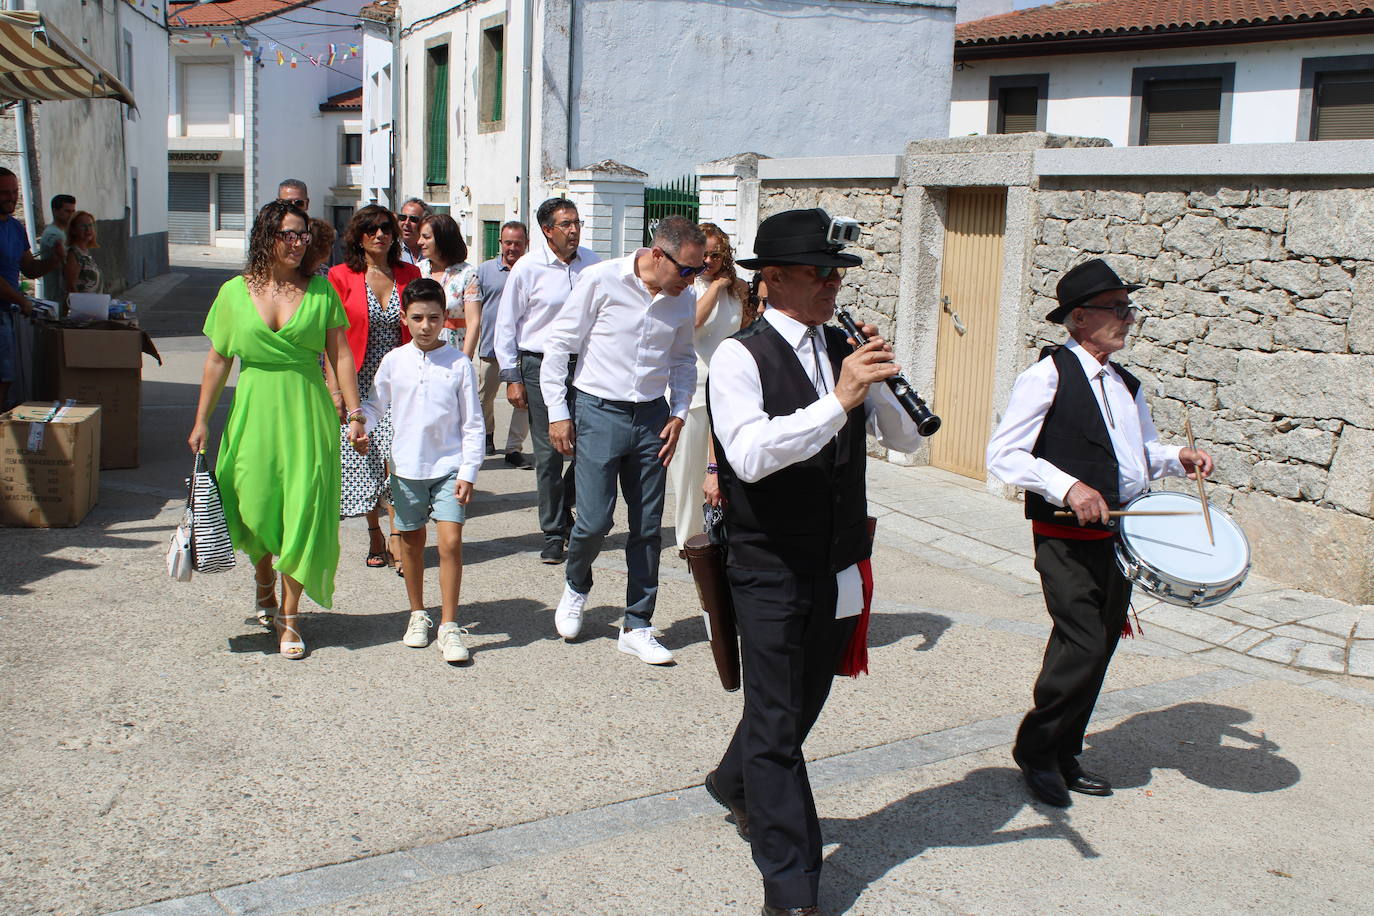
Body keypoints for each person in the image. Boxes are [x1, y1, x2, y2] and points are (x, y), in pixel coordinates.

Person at [704, 208, 924, 916]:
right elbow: (750, 455)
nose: (834, 284)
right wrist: (838, 399)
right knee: (775, 725)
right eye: (819, 273)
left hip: (837, 562)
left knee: (801, 706)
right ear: (772, 279)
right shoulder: (741, 356)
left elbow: (906, 442)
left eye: (837, 273)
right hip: (768, 565)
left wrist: (883, 385)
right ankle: (792, 884)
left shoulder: (842, 348)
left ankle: (733, 782)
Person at [986, 258, 1214, 808]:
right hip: (1065, 536)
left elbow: (1136, 456)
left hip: (1119, 536)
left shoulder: (1126, 384)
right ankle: (1037, 751)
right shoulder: (1047, 374)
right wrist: (1068, 488)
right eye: (1117, 309)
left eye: (1128, 308)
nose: (1128, 318)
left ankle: (1064, 752)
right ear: (1080, 318)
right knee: (1083, 643)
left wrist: (1177, 457)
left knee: (1099, 643)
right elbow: (1004, 454)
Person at [188, 200, 365, 660]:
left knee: (301, 512)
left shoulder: (321, 290)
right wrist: (202, 420)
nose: (297, 243)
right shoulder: (232, 292)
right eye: (288, 234)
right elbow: (218, 359)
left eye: (303, 235)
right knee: (254, 504)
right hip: (254, 411)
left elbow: (341, 355)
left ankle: (290, 618)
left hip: (307, 413)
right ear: (266, 236)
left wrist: (355, 413)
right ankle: (263, 577)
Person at [542, 215, 702, 663]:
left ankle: (638, 623)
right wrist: (558, 414)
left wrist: (679, 412)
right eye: (685, 270)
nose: (691, 281)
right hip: (598, 410)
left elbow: (684, 360)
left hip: (652, 416)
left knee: (648, 527)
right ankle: (576, 585)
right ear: (657, 255)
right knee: (593, 521)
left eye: (697, 271)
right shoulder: (601, 280)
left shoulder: (682, 298)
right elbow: (560, 346)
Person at [354, 278, 484, 664]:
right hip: (407, 467)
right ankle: (417, 614)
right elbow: (376, 405)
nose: (426, 326)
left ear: (445, 317)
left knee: (449, 543)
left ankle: (448, 624)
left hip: (449, 467)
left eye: (433, 317)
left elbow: (473, 424)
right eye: (417, 318)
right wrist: (361, 422)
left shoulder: (459, 363)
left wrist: (469, 471)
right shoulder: (394, 361)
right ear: (405, 319)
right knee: (410, 544)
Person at [493, 198, 600, 563]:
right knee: (550, 453)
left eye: (576, 223)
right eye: (566, 224)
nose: (574, 230)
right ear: (547, 230)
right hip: (538, 367)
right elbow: (506, 325)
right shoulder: (528, 268)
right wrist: (512, 376)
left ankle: (566, 506)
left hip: (584, 367)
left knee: (590, 445)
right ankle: (554, 532)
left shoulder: (593, 264)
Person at [327, 205, 422, 573]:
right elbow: (329, 339)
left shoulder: (409, 273)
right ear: (358, 236)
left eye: (385, 228)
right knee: (363, 459)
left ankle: (398, 534)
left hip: (399, 380)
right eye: (371, 229)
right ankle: (374, 533)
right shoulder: (340, 276)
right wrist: (335, 388)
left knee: (397, 457)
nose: (379, 234)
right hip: (358, 380)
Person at [668, 222, 747, 550]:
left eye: (717, 253)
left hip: (730, 388)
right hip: (694, 387)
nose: (710, 260)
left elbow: (743, 329)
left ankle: (719, 530)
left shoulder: (736, 288)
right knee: (688, 471)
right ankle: (688, 540)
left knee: (725, 467)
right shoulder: (688, 286)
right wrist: (714, 288)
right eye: (706, 254)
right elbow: (693, 324)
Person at [467, 221, 531, 466]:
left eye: (517, 243)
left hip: (522, 350)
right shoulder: (483, 271)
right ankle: (488, 434)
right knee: (485, 398)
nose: (512, 248)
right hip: (490, 349)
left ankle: (514, 449)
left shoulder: (530, 269)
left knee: (522, 402)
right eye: (508, 243)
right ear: (500, 243)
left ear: (526, 244)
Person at [0, 167, 64, 408]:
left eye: (14, 191)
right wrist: (21, 299)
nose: (11, 197)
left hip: (8, 313)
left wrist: (54, 261)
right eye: (4, 192)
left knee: (7, 379)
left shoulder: (15, 227)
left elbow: (29, 268)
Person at [415, 213, 478, 358]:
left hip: (453, 352)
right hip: (421, 353)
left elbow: (473, 322)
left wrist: (465, 361)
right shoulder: (417, 270)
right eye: (420, 236)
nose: (419, 242)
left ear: (443, 239)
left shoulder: (467, 274)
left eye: (426, 237)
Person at [38, 193, 74, 302]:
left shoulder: (66, 232)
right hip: (57, 294)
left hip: (66, 294)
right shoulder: (53, 234)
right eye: (67, 211)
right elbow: (64, 257)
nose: (71, 215)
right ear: (55, 211)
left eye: (73, 211)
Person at [63, 211, 102, 296]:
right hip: (83, 307)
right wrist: (81, 305)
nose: (88, 229)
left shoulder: (84, 252)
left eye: (90, 225)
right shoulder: (73, 254)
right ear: (73, 230)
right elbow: (71, 286)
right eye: (83, 226)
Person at [396, 198, 429, 265]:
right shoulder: (390, 251)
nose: (406, 223)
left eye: (413, 219)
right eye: (403, 217)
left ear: (424, 222)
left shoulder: (433, 252)